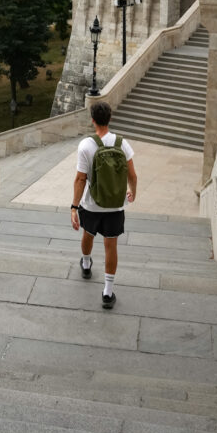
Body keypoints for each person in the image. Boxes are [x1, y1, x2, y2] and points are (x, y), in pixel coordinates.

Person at [71, 101, 137, 310]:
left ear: (93, 120)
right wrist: (132, 192)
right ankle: (107, 292)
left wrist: (74, 207)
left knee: (87, 235)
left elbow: (81, 179)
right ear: (109, 119)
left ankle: (87, 263)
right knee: (111, 245)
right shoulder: (122, 144)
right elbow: (132, 175)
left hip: (91, 204)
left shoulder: (86, 146)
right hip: (115, 206)